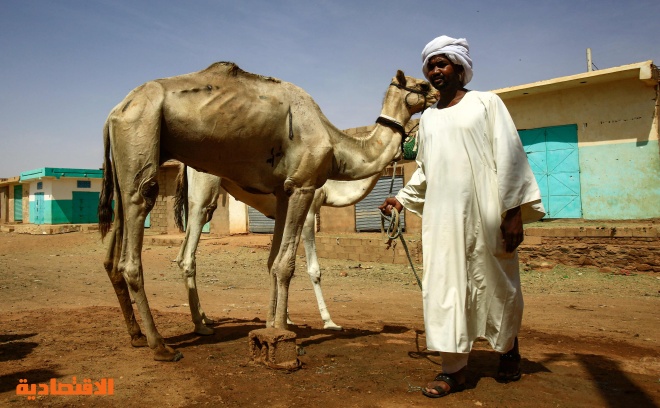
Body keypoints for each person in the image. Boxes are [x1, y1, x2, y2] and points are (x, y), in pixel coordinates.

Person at [379, 35, 545, 399]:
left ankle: (508, 350)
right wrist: (401, 199)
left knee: (497, 284)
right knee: (445, 287)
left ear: (459, 67)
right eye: (431, 65)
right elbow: (425, 171)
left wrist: (513, 213)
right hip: (443, 219)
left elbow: (511, 156)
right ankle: (453, 370)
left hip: (488, 212)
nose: (436, 70)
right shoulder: (429, 121)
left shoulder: (487, 103)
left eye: (443, 63)